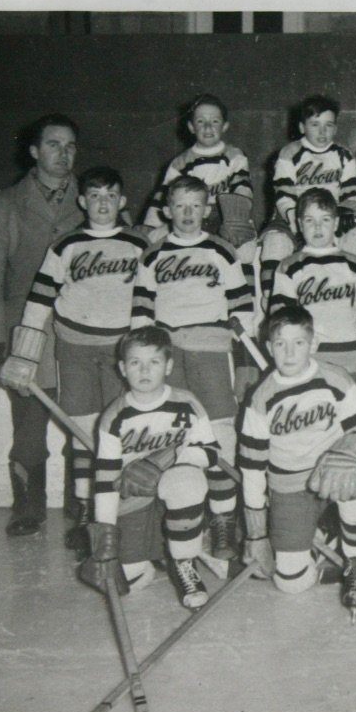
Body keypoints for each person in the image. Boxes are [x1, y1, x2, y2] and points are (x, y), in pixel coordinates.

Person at [0, 166, 148, 552]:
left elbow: (151, 298)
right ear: (82, 201)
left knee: (116, 430)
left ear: (122, 201)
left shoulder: (138, 243)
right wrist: (24, 354)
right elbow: (39, 299)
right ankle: (84, 508)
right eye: (95, 196)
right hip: (75, 348)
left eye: (110, 195)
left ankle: (116, 511)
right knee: (81, 428)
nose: (103, 203)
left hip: (120, 350)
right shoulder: (65, 244)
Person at [0, 113, 84, 537]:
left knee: (83, 421)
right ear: (34, 151)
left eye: (70, 146)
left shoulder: (95, 199)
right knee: (30, 426)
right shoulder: (2, 206)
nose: (63, 154)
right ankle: (28, 508)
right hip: (27, 336)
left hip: (82, 332)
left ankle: (82, 508)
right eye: (53, 144)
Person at [130, 175, 257, 560]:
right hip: (167, 352)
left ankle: (223, 519)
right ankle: (176, 522)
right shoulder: (152, 254)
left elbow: (243, 309)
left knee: (219, 435)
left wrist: (246, 360)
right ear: (167, 210)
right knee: (169, 435)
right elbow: (141, 311)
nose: (187, 213)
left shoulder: (221, 250)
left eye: (195, 205)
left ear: (208, 209)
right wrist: (143, 359)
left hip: (211, 350)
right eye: (180, 205)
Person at [237, 306, 356, 617]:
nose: (289, 353)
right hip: (290, 486)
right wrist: (256, 533)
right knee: (290, 583)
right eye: (280, 344)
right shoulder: (260, 399)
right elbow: (252, 469)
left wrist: (344, 453)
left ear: (313, 344)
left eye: (299, 343)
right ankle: (325, 529)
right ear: (269, 347)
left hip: (334, 474)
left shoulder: (335, 378)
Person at [83, 326, 225, 610]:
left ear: (168, 366)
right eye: (136, 362)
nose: (145, 370)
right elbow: (105, 481)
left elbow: (212, 453)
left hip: (177, 493)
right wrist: (105, 537)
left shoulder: (186, 402)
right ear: (122, 368)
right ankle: (160, 552)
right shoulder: (114, 417)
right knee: (128, 581)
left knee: (185, 480)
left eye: (154, 362)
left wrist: (165, 458)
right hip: (134, 500)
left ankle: (185, 562)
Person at [261, 95, 356, 302]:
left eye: (328, 125)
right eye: (315, 124)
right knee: (275, 241)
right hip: (293, 216)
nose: (322, 131)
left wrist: (349, 210)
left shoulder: (343, 154)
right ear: (302, 127)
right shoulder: (289, 153)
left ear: (336, 128)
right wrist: (297, 224)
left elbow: (352, 192)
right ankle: (271, 298)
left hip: (330, 216)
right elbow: (284, 195)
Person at [269, 188, 356, 376]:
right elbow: (281, 320)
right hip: (308, 356)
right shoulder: (289, 266)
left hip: (349, 353)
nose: (317, 227)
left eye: (325, 220)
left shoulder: (355, 265)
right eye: (310, 221)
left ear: (336, 223)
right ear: (300, 224)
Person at [141, 93, 257, 269]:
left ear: (225, 126)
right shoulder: (180, 163)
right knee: (150, 240)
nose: (208, 127)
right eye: (201, 121)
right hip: (191, 215)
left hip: (225, 216)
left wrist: (238, 221)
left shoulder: (234, 156)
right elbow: (163, 197)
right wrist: (150, 225)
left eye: (215, 121)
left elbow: (243, 190)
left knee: (245, 254)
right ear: (191, 127)